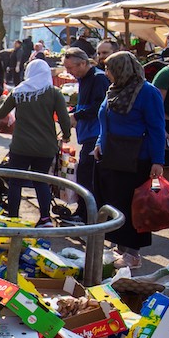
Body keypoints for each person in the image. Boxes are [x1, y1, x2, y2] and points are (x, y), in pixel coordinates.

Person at [94, 51, 166, 270]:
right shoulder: (114, 90)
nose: (105, 72)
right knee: (114, 201)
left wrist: (157, 161)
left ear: (121, 69)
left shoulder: (147, 92)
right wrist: (99, 142)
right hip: (112, 156)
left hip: (136, 159)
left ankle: (132, 254)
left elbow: (156, 128)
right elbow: (104, 121)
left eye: (109, 68)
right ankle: (119, 246)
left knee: (131, 205)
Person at [0, 59, 71, 227]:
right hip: (46, 146)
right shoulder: (54, 93)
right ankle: (45, 218)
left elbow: (1, 112)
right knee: (41, 180)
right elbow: (64, 119)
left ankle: (13, 217)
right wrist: (66, 135)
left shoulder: (19, 92)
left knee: (15, 181)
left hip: (21, 145)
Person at [62, 48, 110, 223]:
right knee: (84, 174)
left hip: (96, 134)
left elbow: (99, 106)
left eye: (71, 68)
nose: (68, 72)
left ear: (83, 63)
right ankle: (84, 212)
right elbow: (84, 104)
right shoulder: (84, 78)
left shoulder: (98, 78)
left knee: (86, 175)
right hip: (87, 133)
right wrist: (73, 112)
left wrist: (77, 115)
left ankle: (86, 215)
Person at [151, 55, 169, 184]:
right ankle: (164, 202)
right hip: (168, 129)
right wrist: (162, 130)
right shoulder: (167, 73)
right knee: (166, 175)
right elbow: (155, 108)